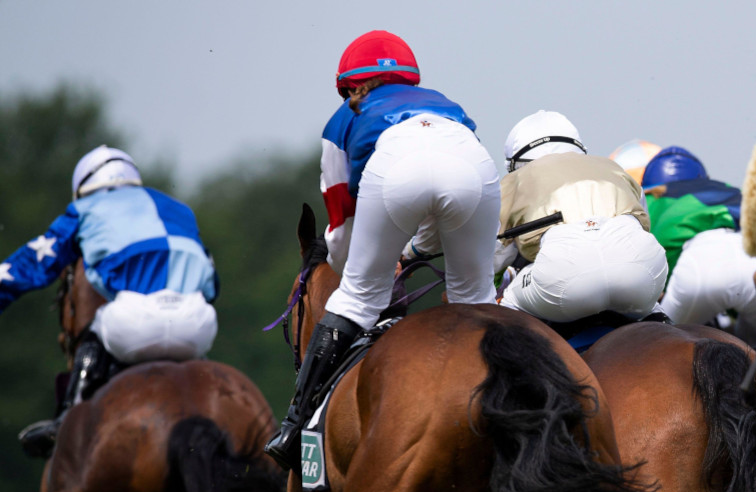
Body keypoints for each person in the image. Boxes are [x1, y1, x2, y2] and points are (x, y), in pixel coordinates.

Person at [263, 30, 501, 469]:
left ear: (353, 87)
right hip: (474, 167)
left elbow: (341, 219)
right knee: (477, 300)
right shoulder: (447, 105)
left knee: (355, 298)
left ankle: (294, 425)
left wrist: (369, 265)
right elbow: (442, 199)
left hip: (396, 170)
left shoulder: (342, 120)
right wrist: (411, 252)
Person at [2, 145, 218, 458]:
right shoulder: (180, 210)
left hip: (133, 325)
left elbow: (30, 266)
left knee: (100, 321)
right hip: (197, 325)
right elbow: (213, 286)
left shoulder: (84, 209)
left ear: (83, 188)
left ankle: (65, 419)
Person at [485, 111, 668, 325]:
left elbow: (494, 259)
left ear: (515, 162)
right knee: (653, 308)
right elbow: (641, 231)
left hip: (564, 281)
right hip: (643, 270)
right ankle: (663, 321)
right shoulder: (615, 169)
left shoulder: (512, 182)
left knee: (504, 307)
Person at [641, 147, 756, 344]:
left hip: (700, 269)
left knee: (660, 344)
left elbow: (654, 259)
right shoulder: (729, 188)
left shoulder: (652, 197)